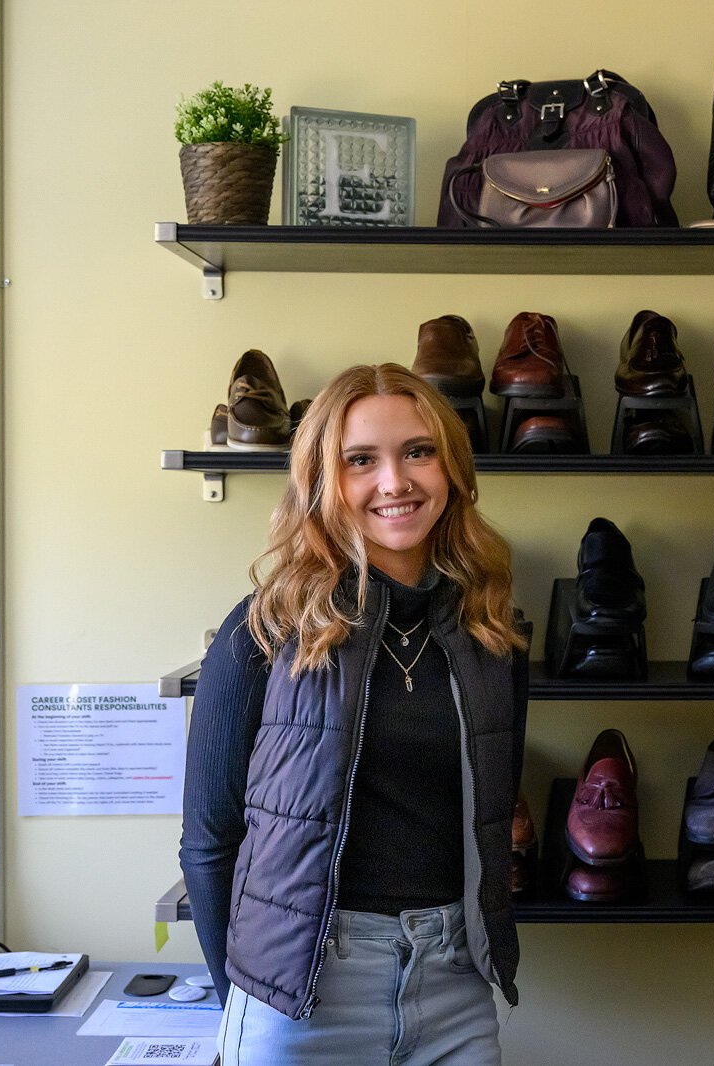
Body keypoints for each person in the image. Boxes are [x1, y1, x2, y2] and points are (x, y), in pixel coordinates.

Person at [180, 363, 530, 1066]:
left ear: (453, 470)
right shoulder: (264, 633)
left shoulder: (494, 635)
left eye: (419, 452)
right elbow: (209, 842)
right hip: (302, 992)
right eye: (361, 460)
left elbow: (487, 818)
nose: (395, 482)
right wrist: (246, 1002)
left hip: (454, 983)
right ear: (323, 481)